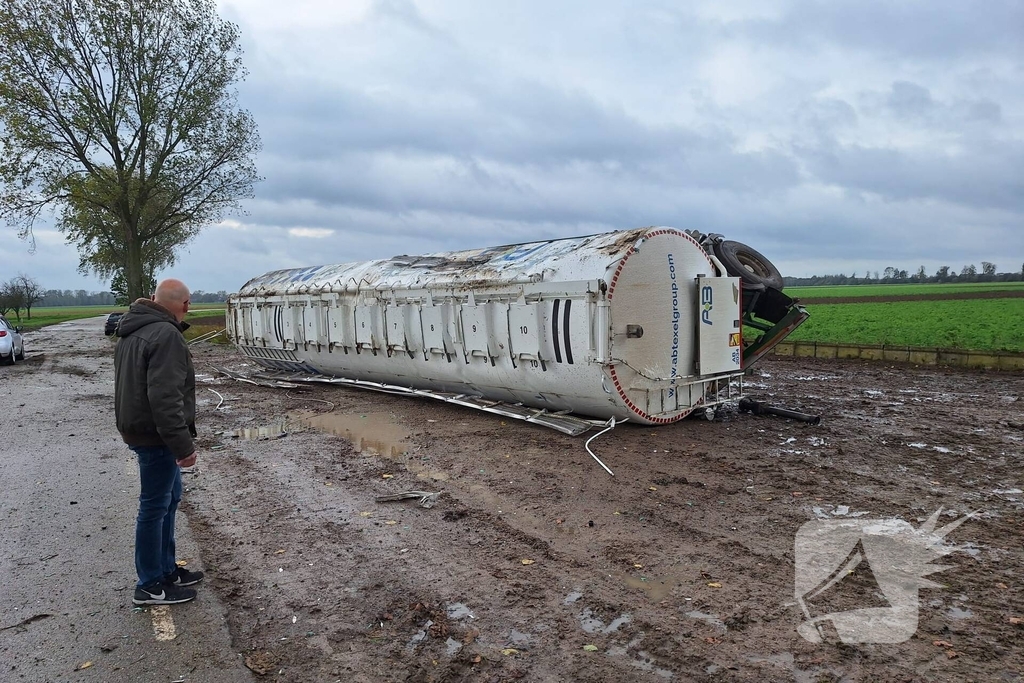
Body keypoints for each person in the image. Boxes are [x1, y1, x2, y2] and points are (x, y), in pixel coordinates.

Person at [114, 278, 204, 605]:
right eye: (188, 303)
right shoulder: (165, 335)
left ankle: (166, 570)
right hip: (155, 435)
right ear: (184, 305)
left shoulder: (134, 330)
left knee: (169, 498)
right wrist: (183, 446)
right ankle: (150, 584)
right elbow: (165, 398)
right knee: (155, 506)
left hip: (141, 429)